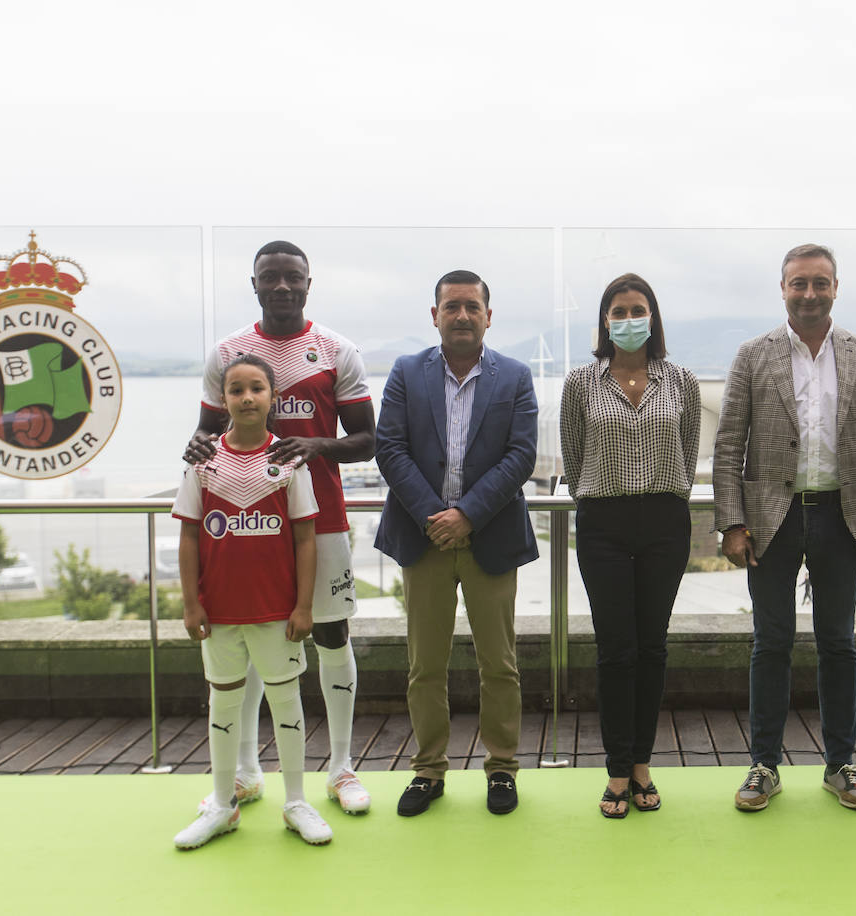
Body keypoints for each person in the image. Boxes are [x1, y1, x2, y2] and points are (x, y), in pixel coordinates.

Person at [183, 241, 376, 816]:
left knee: (332, 635)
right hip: (246, 531)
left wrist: (316, 445)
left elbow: (369, 440)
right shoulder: (228, 353)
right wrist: (194, 445)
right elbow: (207, 437)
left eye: (294, 277)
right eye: (272, 278)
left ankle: (341, 768)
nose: (283, 287)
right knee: (240, 639)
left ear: (308, 284)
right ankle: (245, 772)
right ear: (256, 284)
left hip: (322, 521)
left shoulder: (336, 350)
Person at [713, 243, 856, 812]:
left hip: (842, 515)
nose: (810, 293)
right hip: (773, 516)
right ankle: (763, 764)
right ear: (784, 289)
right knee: (770, 643)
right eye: (799, 283)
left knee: (838, 644)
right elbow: (728, 445)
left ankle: (840, 763)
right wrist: (732, 522)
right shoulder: (753, 355)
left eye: (820, 283)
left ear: (836, 288)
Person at [374, 269, 538, 817]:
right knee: (425, 664)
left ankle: (502, 769)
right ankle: (428, 770)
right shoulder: (405, 372)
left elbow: (521, 455)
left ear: (489, 315)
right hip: (425, 540)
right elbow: (390, 448)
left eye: (472, 306)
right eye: (452, 306)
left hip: (490, 536)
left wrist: (467, 514)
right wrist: (434, 516)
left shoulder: (514, 375)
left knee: (500, 663)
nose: (462, 315)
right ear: (435, 315)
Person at [172, 355, 333, 848]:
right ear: (222, 401)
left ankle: (297, 801)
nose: (246, 397)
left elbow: (306, 538)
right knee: (223, 703)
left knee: (287, 702)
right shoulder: (203, 463)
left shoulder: (288, 462)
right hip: (218, 612)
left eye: (257, 389)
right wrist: (190, 604)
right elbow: (189, 538)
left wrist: (304, 606)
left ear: (273, 398)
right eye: (236, 389)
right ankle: (223, 805)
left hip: (276, 613)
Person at [560, 273, 701, 818]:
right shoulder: (580, 383)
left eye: (636, 309)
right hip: (604, 522)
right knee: (615, 649)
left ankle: (643, 762)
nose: (627, 320)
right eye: (617, 311)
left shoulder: (681, 381)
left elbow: (688, 454)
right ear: (603, 320)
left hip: (665, 520)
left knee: (652, 647)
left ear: (653, 317)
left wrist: (662, 496)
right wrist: (602, 497)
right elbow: (573, 457)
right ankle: (618, 769)